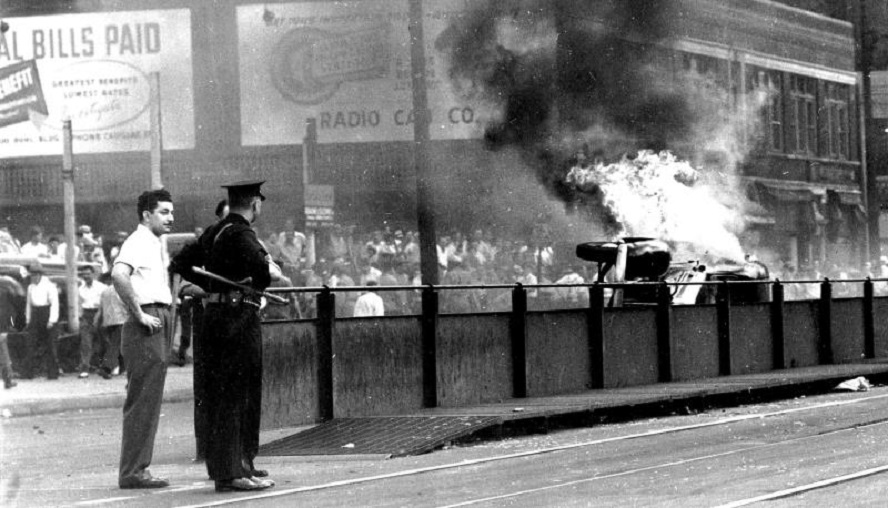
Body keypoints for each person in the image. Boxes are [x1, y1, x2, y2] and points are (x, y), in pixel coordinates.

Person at [190, 180, 276, 492]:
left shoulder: (213, 232)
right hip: (238, 319)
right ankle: (234, 471)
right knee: (238, 395)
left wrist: (215, 285)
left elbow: (184, 263)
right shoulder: (242, 233)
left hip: (215, 317)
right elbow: (265, 273)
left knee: (222, 396)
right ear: (254, 203)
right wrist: (264, 272)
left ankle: (234, 467)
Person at [112, 189, 175, 490]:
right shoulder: (137, 241)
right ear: (147, 215)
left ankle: (137, 468)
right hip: (147, 320)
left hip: (159, 315)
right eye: (164, 212)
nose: (170, 217)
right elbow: (118, 275)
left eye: (171, 212)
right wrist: (138, 313)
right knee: (143, 400)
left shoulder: (154, 243)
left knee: (149, 399)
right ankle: (133, 471)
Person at [22, 264, 59, 380]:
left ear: (39, 275)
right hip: (35, 314)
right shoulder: (30, 287)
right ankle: (28, 373)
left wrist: (52, 320)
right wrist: (28, 320)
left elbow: (54, 304)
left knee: (50, 345)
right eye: (31, 275)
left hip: (46, 313)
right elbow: (28, 305)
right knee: (30, 343)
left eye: (35, 275)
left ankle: (52, 373)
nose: (33, 277)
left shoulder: (50, 286)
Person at [94, 274, 128, 377]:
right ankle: (106, 367)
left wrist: (97, 320)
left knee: (118, 344)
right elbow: (126, 304)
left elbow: (100, 308)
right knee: (116, 344)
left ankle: (122, 368)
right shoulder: (122, 290)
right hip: (121, 319)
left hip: (108, 321)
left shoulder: (105, 291)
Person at [77, 265, 107, 378]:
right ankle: (85, 368)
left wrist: (98, 316)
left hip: (100, 313)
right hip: (86, 315)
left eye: (88, 274)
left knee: (103, 341)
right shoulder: (80, 289)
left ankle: (107, 366)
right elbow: (79, 304)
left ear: (93, 274)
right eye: (84, 274)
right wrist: (80, 317)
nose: (86, 276)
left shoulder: (101, 287)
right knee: (85, 342)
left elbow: (104, 304)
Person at [0, 275, 25, 388]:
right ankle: (8, 380)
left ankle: (8, 379)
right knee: (4, 355)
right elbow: (7, 311)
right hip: (2, 327)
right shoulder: (5, 292)